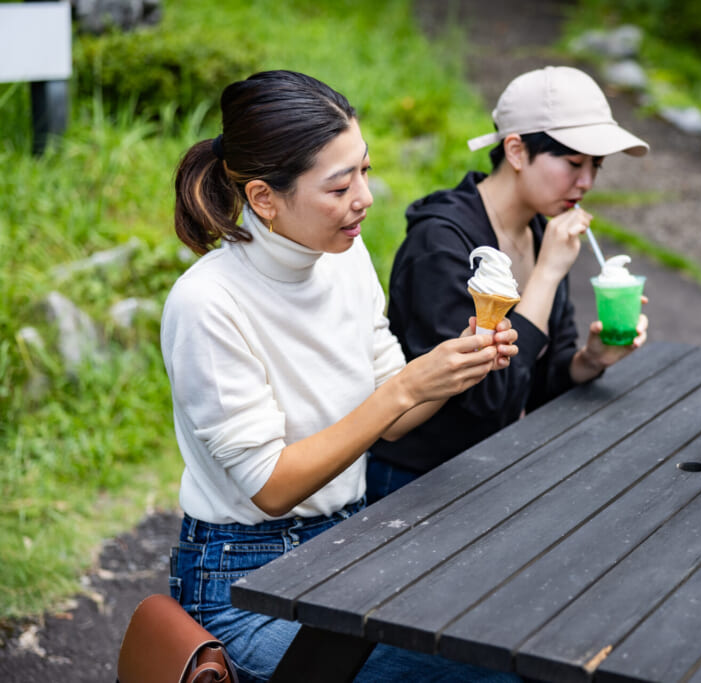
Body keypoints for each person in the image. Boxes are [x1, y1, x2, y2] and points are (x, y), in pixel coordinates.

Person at [162, 70, 520, 683]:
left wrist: (451, 369)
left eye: (365, 170)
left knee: (513, 628)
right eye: (339, 185)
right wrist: (406, 386)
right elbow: (271, 486)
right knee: (482, 675)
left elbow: (395, 417)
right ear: (264, 197)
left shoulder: (344, 255)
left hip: (350, 545)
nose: (365, 197)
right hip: (244, 582)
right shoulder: (207, 303)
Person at [367, 66, 650, 502]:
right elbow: (485, 400)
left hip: (488, 470)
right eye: (574, 163)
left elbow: (539, 381)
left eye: (596, 166)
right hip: (414, 482)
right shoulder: (440, 243)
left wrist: (590, 360)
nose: (587, 182)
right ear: (516, 151)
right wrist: (547, 273)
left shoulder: (541, 232)